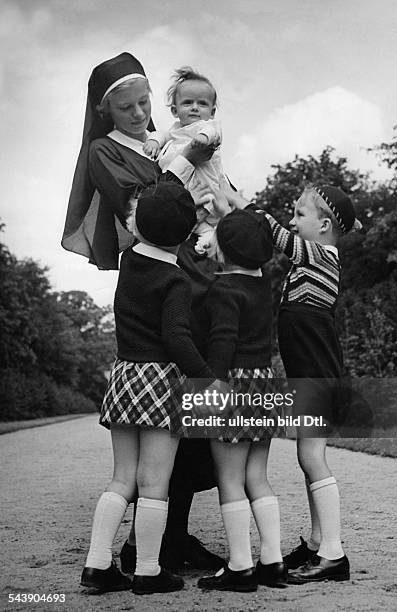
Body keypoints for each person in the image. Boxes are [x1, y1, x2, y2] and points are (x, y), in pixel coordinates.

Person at [62, 52, 223, 575]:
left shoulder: (162, 141)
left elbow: (211, 192)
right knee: (169, 414)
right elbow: (143, 209)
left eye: (144, 103)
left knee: (193, 424)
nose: (138, 113)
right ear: (106, 111)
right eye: (126, 107)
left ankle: (171, 537)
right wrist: (187, 159)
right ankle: (145, 550)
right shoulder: (102, 151)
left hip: (195, 276)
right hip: (159, 282)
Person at [81, 182, 218, 595]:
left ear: (135, 225)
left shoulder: (128, 260)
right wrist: (207, 380)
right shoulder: (175, 279)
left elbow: (151, 229)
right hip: (159, 383)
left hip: (124, 377)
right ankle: (148, 571)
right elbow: (176, 338)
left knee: (123, 478)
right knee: (155, 482)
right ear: (184, 236)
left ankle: (97, 564)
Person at [225, 183, 361, 584]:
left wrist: (246, 206)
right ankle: (320, 542)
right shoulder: (312, 259)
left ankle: (334, 554)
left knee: (312, 459)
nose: (292, 220)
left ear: (323, 225)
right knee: (309, 460)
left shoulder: (322, 254)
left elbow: (277, 236)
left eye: (300, 214)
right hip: (310, 373)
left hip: (317, 375)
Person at [196, 207, 288, 593]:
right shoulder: (263, 282)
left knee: (229, 479)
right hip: (264, 385)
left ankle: (240, 567)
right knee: (257, 477)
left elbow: (222, 341)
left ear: (224, 248)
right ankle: (273, 560)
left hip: (231, 386)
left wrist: (209, 386)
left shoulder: (223, 289)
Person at [143, 66, 223, 256]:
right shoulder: (174, 131)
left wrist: (201, 139)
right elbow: (160, 134)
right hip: (184, 194)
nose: (195, 107)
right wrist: (154, 142)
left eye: (202, 104)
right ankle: (207, 236)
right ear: (174, 110)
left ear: (212, 112)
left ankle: (207, 234)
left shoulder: (207, 125)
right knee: (197, 224)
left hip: (205, 188)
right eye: (187, 103)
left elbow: (213, 133)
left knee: (203, 211)